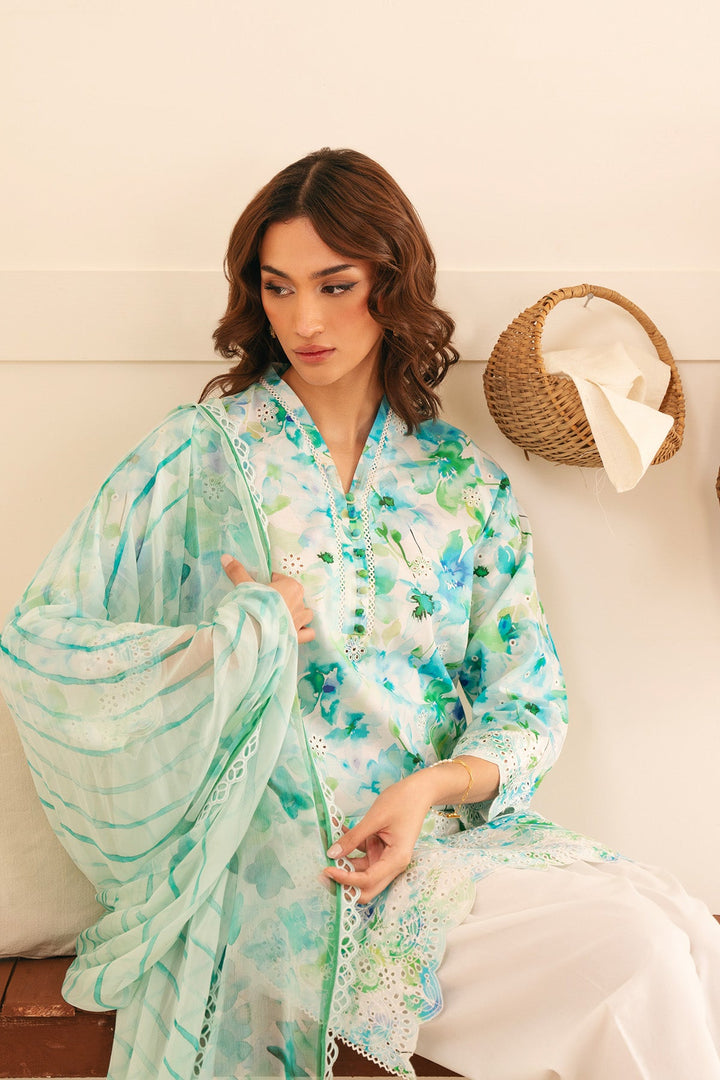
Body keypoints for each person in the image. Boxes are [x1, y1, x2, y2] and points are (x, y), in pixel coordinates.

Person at [1, 148, 719, 1080]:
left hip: (443, 850)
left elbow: (530, 704)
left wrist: (425, 794)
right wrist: (234, 640)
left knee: (684, 936)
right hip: (291, 879)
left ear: (393, 282)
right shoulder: (197, 457)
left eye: (335, 285)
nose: (305, 320)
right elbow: (45, 644)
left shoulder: (462, 481)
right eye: (279, 287)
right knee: (639, 954)